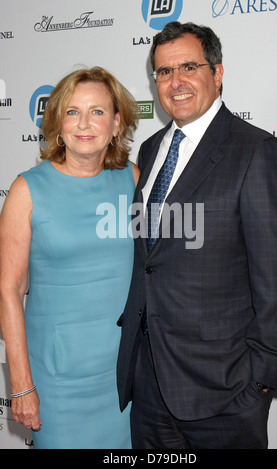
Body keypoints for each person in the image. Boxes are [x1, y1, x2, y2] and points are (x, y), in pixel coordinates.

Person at [117, 22, 277, 449]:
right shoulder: (151, 149)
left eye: (188, 67)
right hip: (150, 385)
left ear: (217, 73)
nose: (175, 82)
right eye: (163, 72)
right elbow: (152, 259)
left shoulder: (258, 153)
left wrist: (257, 386)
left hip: (226, 390)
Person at [0, 66, 139, 449]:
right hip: (57, 382)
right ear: (57, 123)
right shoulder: (27, 190)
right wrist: (21, 384)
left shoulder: (132, 179)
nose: (84, 123)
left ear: (116, 124)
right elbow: (9, 290)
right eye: (73, 111)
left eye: (97, 111)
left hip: (123, 376)